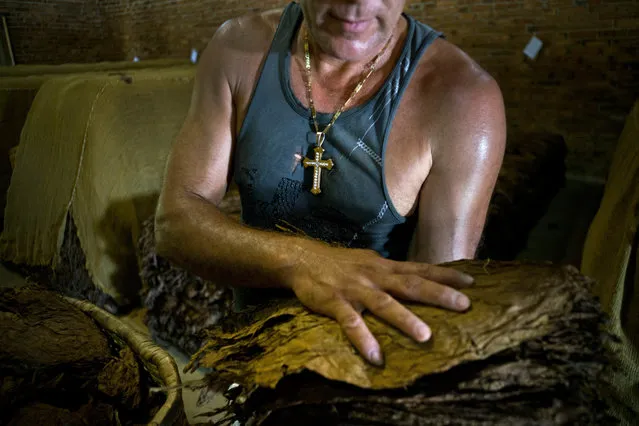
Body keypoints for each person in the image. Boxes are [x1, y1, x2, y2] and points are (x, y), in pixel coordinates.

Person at [155, 0, 506, 366]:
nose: (357, 4)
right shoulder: (237, 48)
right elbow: (175, 222)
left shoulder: (463, 98)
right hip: (251, 357)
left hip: (370, 369)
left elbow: (434, 309)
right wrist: (304, 262)